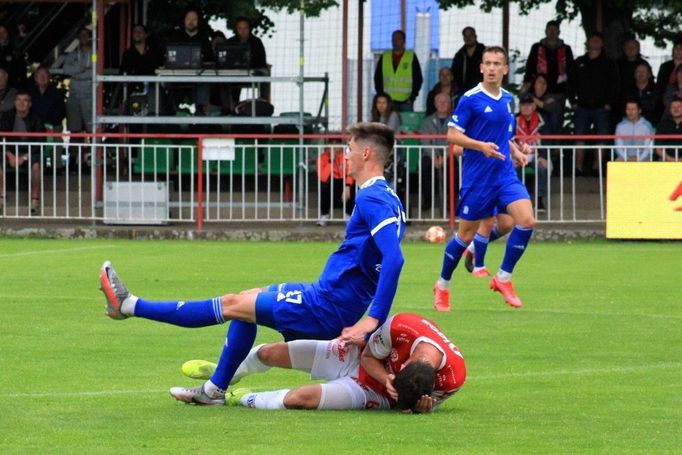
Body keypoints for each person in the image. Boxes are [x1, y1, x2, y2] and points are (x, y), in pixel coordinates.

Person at [99, 122, 406, 405]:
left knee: (232, 305)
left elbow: (394, 258)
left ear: (366, 153)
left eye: (349, 149)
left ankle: (129, 306)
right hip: (328, 294)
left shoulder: (372, 198)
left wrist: (372, 319)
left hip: (327, 305)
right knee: (247, 298)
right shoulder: (386, 196)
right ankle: (214, 390)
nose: (345, 156)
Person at [178, 313, 466, 412]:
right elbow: (368, 356)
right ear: (401, 366)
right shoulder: (403, 327)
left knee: (298, 399)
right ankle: (224, 373)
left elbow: (414, 402)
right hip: (360, 357)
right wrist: (384, 375)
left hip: (374, 393)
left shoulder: (454, 379)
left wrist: (420, 409)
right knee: (270, 353)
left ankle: (236, 398)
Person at [433, 46, 535, 312]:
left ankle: (503, 278)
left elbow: (504, 135)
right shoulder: (470, 98)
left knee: (524, 220)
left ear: (504, 69)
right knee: (464, 235)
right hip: (478, 179)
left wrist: (516, 151)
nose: (491, 68)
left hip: (504, 174)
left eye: (496, 63)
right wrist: (481, 146)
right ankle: (442, 285)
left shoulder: (508, 99)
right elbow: (452, 136)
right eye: (487, 63)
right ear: (481, 68)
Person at [567, 32, 620, 176]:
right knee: (579, 137)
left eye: (598, 40)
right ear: (588, 43)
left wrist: (609, 103)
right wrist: (573, 102)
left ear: (602, 44)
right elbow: (570, 83)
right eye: (593, 40)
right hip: (582, 107)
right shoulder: (579, 62)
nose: (595, 43)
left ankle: (597, 168)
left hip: (602, 107)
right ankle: (577, 168)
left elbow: (615, 85)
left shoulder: (609, 63)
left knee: (602, 137)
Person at [0, 90, 45, 215]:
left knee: (36, 167)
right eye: (18, 100)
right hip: (10, 151)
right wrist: (10, 155)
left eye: (25, 100)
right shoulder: (7, 116)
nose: (21, 103)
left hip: (30, 152)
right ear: (14, 102)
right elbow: (2, 137)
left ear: (30, 104)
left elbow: (41, 141)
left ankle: (34, 201)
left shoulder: (36, 118)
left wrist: (23, 158)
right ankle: (1, 198)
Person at [167, 9, 213, 115]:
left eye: (194, 19)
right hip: (178, 76)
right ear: (184, 21)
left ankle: (201, 114)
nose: (191, 22)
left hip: (199, 76)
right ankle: (171, 115)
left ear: (198, 21)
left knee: (205, 83)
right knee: (168, 83)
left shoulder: (204, 38)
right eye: (188, 19)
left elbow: (210, 59)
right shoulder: (176, 37)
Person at [523, 20, 573, 108]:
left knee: (556, 117)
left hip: (559, 90)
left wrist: (569, 89)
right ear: (546, 31)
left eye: (555, 30)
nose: (552, 32)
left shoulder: (566, 49)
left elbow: (571, 69)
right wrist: (527, 82)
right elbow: (530, 66)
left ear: (559, 32)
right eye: (550, 30)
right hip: (539, 89)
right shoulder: (536, 47)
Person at [373, 30, 423, 112]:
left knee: (406, 124)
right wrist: (381, 95)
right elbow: (377, 78)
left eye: (398, 39)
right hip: (388, 102)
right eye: (393, 39)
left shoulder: (411, 56)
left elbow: (418, 79)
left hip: (406, 102)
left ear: (404, 41)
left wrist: (412, 97)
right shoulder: (385, 56)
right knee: (387, 124)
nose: (395, 42)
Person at [516, 92, 549, 210]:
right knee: (512, 168)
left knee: (543, 167)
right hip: (519, 154)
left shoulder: (542, 121)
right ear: (519, 106)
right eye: (523, 104)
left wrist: (543, 156)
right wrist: (514, 155)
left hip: (536, 154)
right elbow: (508, 139)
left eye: (529, 104)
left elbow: (547, 141)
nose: (526, 107)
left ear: (534, 106)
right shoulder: (514, 120)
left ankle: (539, 199)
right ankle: (520, 199)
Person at [419, 93, 452, 211]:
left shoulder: (455, 121)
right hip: (430, 154)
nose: (443, 104)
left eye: (446, 102)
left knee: (454, 168)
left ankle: (451, 201)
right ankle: (427, 199)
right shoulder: (427, 121)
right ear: (435, 104)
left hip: (449, 154)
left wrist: (445, 156)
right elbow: (425, 141)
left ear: (449, 104)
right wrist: (434, 157)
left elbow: (456, 141)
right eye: (440, 102)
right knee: (425, 166)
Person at [226, 17, 269, 103]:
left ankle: (263, 103)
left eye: (245, 28)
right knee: (222, 79)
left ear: (249, 29)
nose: (243, 31)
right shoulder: (230, 42)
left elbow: (262, 62)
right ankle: (230, 107)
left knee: (264, 75)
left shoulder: (257, 42)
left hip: (254, 71)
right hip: (234, 72)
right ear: (236, 29)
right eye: (240, 28)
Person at [316, 138, 355, 226]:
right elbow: (323, 177)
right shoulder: (322, 158)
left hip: (344, 183)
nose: (334, 146)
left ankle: (348, 215)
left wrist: (347, 186)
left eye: (336, 143)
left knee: (352, 185)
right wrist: (331, 160)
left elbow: (350, 173)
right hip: (331, 183)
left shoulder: (346, 156)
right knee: (323, 186)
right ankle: (325, 215)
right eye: (331, 143)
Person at [63, 27, 93, 134]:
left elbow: (95, 72)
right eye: (81, 35)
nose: (84, 37)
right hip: (74, 95)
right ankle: (75, 150)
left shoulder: (94, 54)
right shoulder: (73, 54)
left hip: (90, 96)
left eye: (86, 35)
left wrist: (75, 73)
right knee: (74, 127)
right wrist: (81, 69)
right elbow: (66, 69)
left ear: (90, 37)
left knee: (91, 127)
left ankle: (92, 150)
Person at [450, 27, 485, 97]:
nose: (468, 38)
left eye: (470, 35)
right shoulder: (459, 55)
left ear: (475, 36)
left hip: (482, 90)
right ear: (463, 38)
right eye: (465, 36)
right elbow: (454, 73)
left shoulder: (485, 52)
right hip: (464, 91)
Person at [28, 66, 65, 130]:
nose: (42, 77)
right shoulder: (30, 93)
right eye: (40, 75)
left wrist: (47, 125)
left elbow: (61, 112)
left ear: (49, 77)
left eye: (45, 75)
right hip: (34, 125)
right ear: (35, 78)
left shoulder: (57, 93)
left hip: (53, 125)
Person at [655, 96, 682, 162]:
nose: (676, 109)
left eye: (679, 107)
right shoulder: (662, 125)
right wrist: (672, 160)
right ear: (669, 110)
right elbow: (658, 149)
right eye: (673, 107)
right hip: (665, 160)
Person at [0, 25, 27, 89]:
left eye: (3, 32)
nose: (1, 35)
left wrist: (22, 87)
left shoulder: (15, 51)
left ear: (7, 34)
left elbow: (22, 71)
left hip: (12, 87)